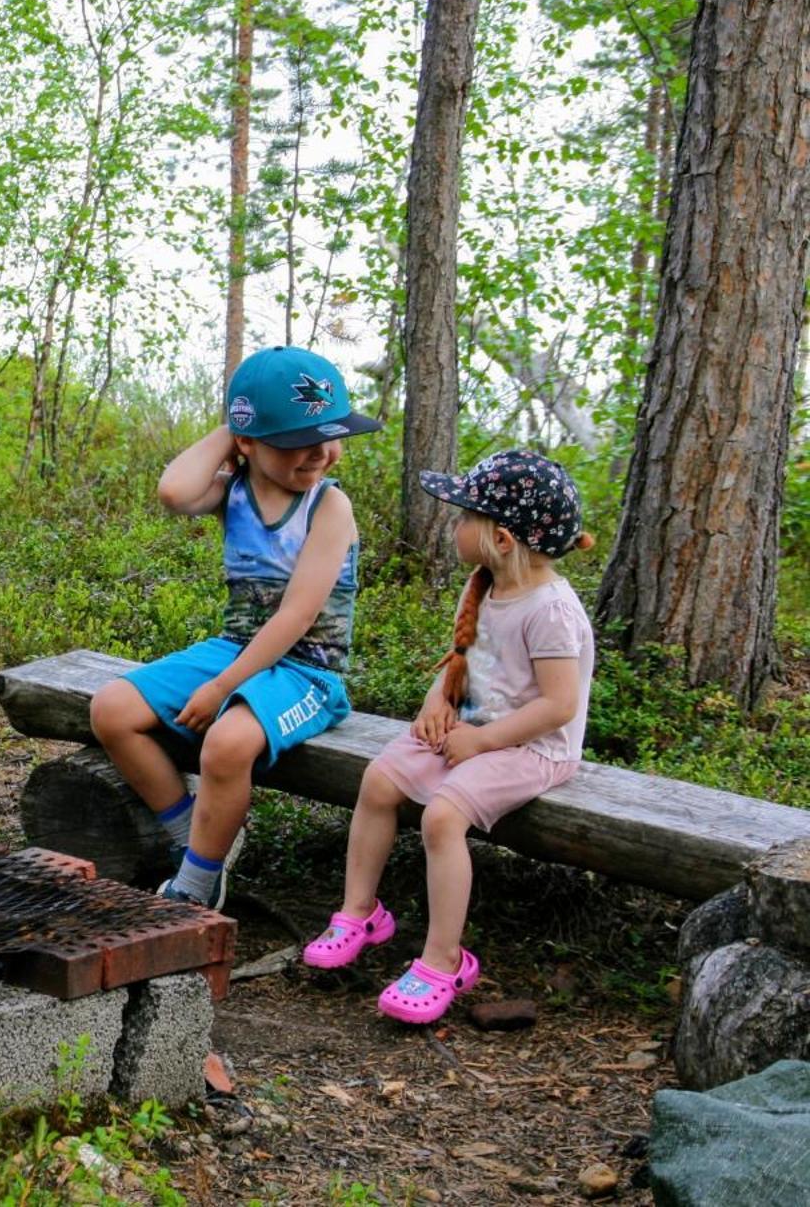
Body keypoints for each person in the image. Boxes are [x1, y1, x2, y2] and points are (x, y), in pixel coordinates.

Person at [302, 449, 595, 1025]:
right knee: (380, 780)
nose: (455, 528)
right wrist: (439, 700)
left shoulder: (552, 611)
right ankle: (360, 912)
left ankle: (444, 961)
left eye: (464, 519)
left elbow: (559, 707)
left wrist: (482, 743)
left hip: (534, 749)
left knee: (441, 816)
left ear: (503, 539)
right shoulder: (485, 585)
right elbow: (463, 659)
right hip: (476, 729)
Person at [89, 346, 381, 910]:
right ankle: (190, 839)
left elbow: (297, 618)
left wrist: (222, 688)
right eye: (298, 439)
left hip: (309, 672)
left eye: (330, 435)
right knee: (112, 709)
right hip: (239, 649)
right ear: (247, 443)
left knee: (226, 742)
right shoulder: (235, 492)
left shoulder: (330, 507)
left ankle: (196, 885)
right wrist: (234, 427)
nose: (321, 453)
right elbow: (174, 491)